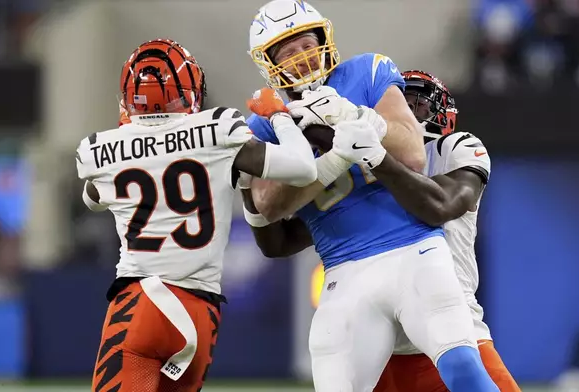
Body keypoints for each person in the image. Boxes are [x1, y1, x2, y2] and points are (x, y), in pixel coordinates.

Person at [243, 1, 499, 390]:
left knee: (462, 365)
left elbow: (412, 152)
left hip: (413, 250)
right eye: (288, 52)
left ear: (324, 40)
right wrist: (328, 155)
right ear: (269, 62)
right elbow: (267, 206)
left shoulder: (365, 71)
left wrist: (354, 117)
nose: (301, 58)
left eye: (306, 44)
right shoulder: (266, 121)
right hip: (344, 273)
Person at [76, 38, 318, 392]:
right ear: (192, 90)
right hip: (200, 314)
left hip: (141, 306)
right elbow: (303, 168)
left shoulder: (99, 151)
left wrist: (132, 143)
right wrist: (279, 114)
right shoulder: (219, 129)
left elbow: (92, 198)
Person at [372, 70, 520, 392]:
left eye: (418, 105)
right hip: (380, 340)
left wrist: (377, 158)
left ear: (442, 114)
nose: (408, 113)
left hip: (456, 328)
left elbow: (440, 205)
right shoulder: (360, 161)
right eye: (399, 104)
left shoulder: (454, 148)